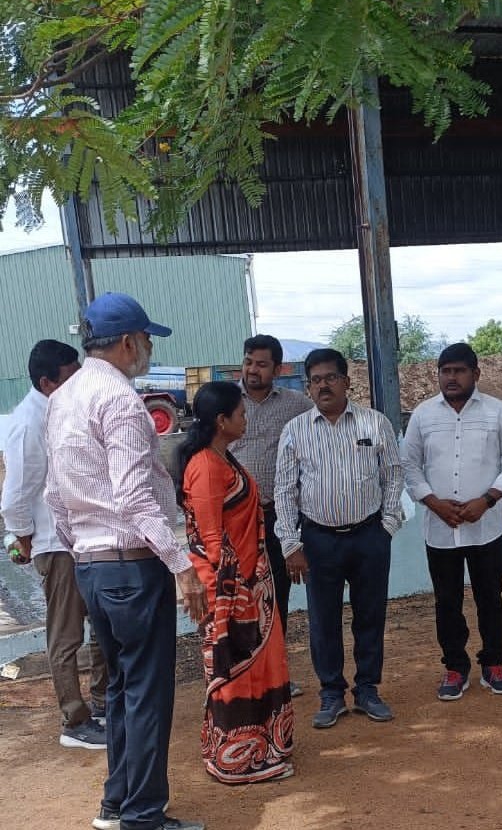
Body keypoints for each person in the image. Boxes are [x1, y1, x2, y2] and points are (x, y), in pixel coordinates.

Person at [44, 292, 207, 830]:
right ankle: (142, 815)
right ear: (129, 342)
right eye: (147, 339)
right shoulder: (119, 400)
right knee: (147, 694)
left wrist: (84, 553)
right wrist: (181, 566)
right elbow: (136, 496)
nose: (149, 348)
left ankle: (117, 804)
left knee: (119, 689)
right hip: (132, 566)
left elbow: (54, 496)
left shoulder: (63, 399)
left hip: (93, 565)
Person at [274, 348, 403, 728]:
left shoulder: (374, 424)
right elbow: (284, 490)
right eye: (315, 380)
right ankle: (331, 694)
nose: (323, 385)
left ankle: (367, 690)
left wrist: (388, 526)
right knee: (323, 621)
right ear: (308, 387)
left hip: (368, 536)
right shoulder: (295, 431)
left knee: (370, 615)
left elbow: (393, 475)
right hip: (317, 541)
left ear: (347, 381)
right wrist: (291, 544)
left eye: (331, 377)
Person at [175, 381, 294, 783]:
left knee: (259, 666)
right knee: (234, 671)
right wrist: (237, 592)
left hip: (249, 585)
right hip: (231, 590)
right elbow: (210, 540)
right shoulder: (206, 467)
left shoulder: (221, 458)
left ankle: (260, 748)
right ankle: (237, 759)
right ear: (221, 420)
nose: (246, 418)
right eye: (240, 414)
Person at [402, 343, 502, 700]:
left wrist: (487, 500)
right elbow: (409, 465)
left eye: (459, 370)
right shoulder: (424, 415)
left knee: (491, 598)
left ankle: (493, 663)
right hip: (440, 528)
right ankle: (455, 667)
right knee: (447, 601)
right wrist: (434, 503)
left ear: (476, 374)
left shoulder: (497, 412)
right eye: (445, 371)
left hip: (486, 526)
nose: (451, 377)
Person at [1, 340, 107, 749]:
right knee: (66, 635)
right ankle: (74, 720)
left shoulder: (62, 410)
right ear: (47, 382)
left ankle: (101, 704)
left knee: (101, 625)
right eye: (70, 375)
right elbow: (14, 495)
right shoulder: (28, 424)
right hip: (54, 543)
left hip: (81, 538)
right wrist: (22, 537)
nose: (79, 380)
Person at [228, 334, 312, 697]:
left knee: (276, 594)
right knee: (237, 595)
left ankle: (276, 674)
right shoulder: (225, 402)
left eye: (262, 364)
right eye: (249, 361)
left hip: (278, 517)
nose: (252, 369)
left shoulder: (297, 406)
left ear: (278, 369)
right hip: (234, 520)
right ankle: (240, 674)